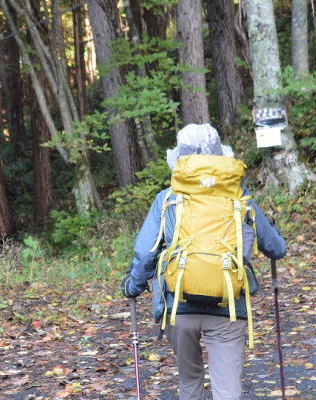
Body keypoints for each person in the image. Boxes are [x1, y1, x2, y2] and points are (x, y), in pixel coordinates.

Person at [121, 123, 287, 400]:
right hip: (229, 306)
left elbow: (146, 253)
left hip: (179, 307)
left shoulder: (167, 200)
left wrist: (133, 285)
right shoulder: (240, 198)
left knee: (190, 381)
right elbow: (276, 248)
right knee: (227, 390)